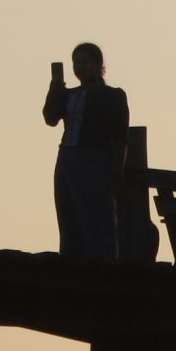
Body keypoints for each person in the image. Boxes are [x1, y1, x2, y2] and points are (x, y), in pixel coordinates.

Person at [43, 41, 131, 260]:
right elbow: (50, 118)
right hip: (67, 159)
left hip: (95, 160)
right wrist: (54, 90)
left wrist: (116, 169)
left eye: (85, 62)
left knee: (97, 213)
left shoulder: (113, 95)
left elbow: (121, 137)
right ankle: (71, 256)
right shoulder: (68, 95)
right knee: (68, 209)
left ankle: (101, 261)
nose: (80, 67)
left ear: (98, 64)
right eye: (76, 63)